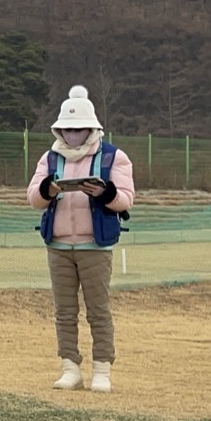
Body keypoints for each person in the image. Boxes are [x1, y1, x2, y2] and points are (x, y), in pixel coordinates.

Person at [28, 86, 135, 392]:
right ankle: (70, 367)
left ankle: (102, 369)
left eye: (78, 129)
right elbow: (34, 197)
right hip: (58, 246)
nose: (72, 135)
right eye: (67, 129)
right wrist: (49, 189)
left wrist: (104, 193)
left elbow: (126, 199)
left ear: (91, 129)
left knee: (98, 310)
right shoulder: (49, 158)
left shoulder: (114, 157)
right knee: (64, 312)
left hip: (95, 246)